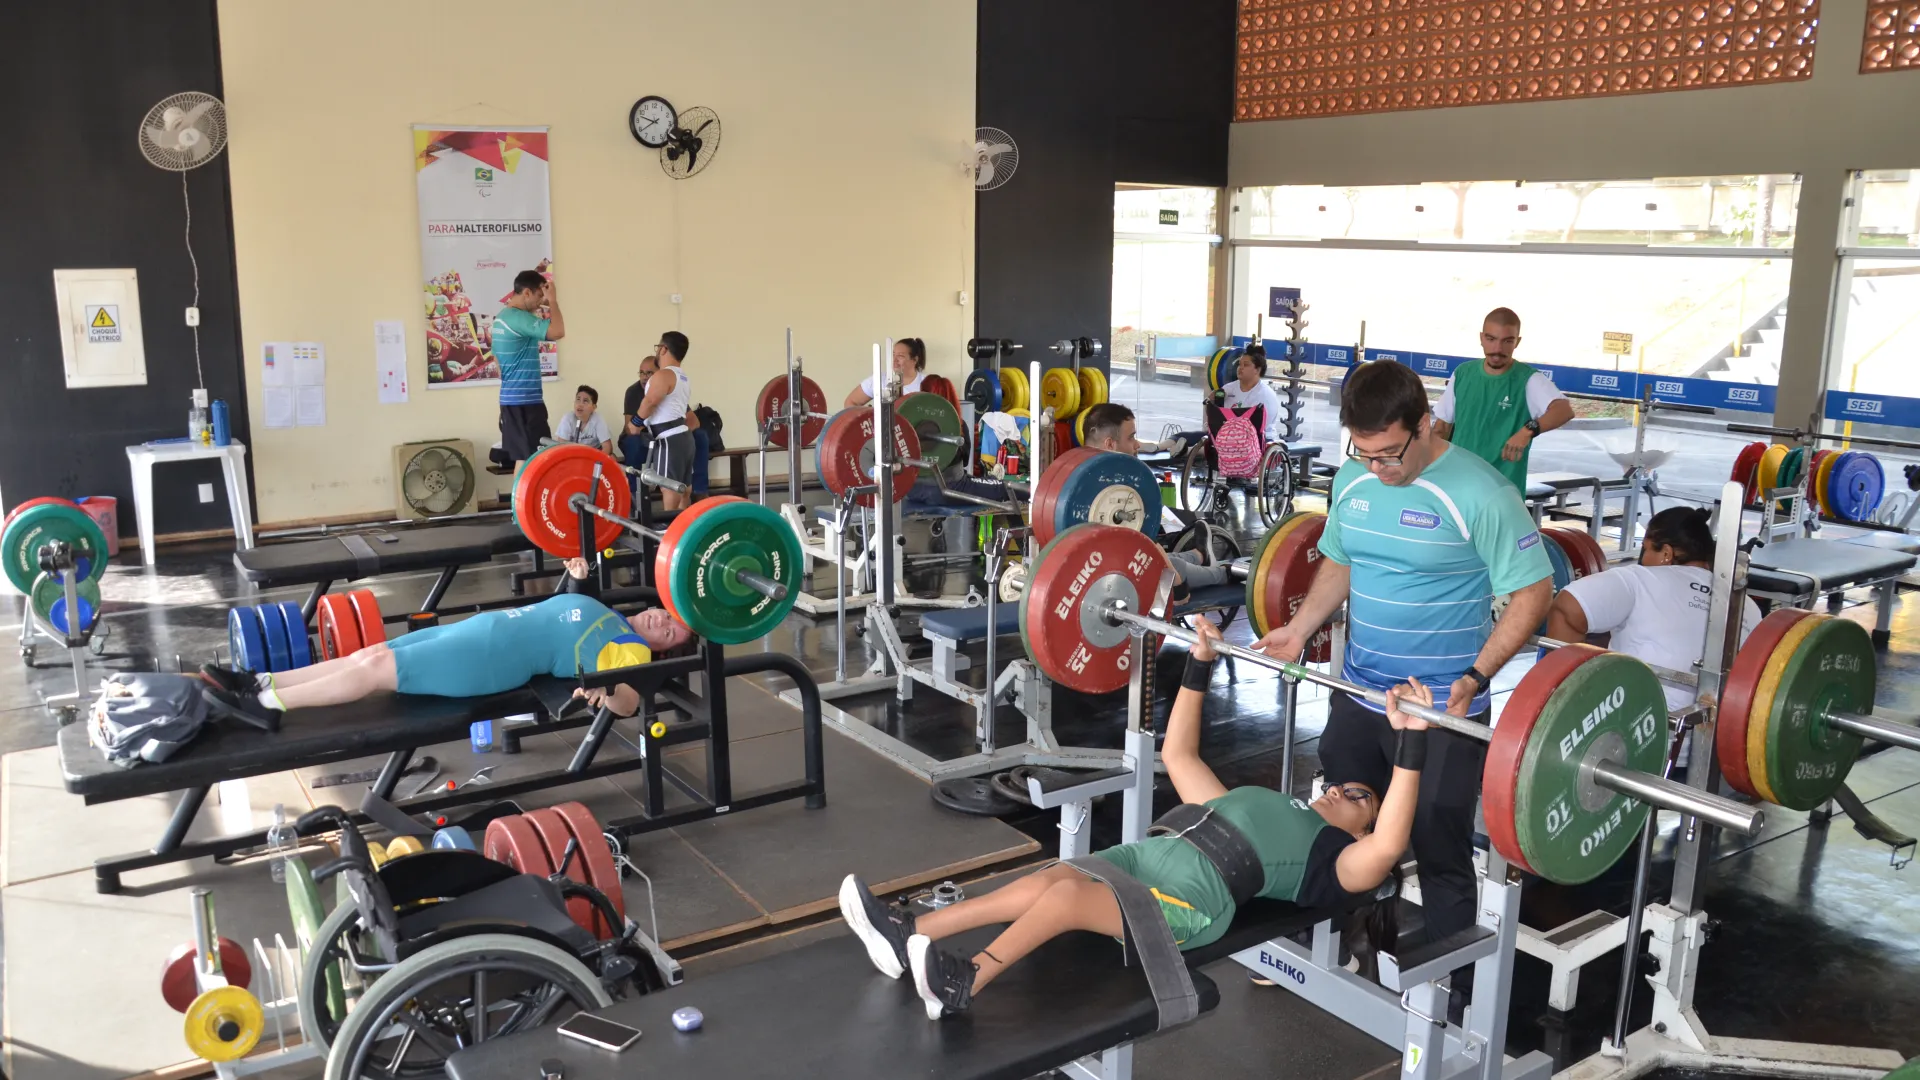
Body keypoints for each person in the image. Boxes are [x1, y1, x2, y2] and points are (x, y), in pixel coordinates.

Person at [837, 619, 1429, 1018]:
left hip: (1192, 900)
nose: (1342, 789)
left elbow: (1389, 843)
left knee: (1066, 900)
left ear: (1361, 831)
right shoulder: (1263, 803)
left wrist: (1411, 742)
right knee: (1055, 877)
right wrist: (1198, 665)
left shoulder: (1335, 859)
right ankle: (910, 934)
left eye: (1360, 797)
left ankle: (965, 981)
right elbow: (1180, 756)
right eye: (1343, 783)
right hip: (1148, 857)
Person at [1253, 360, 1552, 946]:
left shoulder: (1481, 491)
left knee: (1439, 847)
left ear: (1426, 425)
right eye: (1364, 453)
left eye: (1389, 453)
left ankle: (1450, 984)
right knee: (1336, 829)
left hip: (1441, 708)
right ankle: (1334, 946)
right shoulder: (1353, 479)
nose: (1378, 468)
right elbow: (1341, 560)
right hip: (1359, 694)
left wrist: (1477, 675)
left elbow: (1533, 592)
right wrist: (1300, 628)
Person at [201, 558, 692, 725]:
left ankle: (266, 704)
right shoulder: (605, 609)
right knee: (368, 654)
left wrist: (608, 690)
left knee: (373, 673)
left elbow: (629, 703)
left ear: (663, 649)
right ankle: (260, 681)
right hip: (477, 631)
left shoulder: (631, 649)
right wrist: (576, 577)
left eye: (670, 631)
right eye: (666, 614)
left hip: (488, 659)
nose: (662, 620)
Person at [1545, 506, 1761, 717]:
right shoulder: (1747, 606)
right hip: (1718, 732)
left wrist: (1566, 702)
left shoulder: (1641, 579)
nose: (1643, 558)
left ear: (1666, 553)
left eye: (1646, 549)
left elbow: (1567, 608)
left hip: (1637, 731)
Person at [1079, 402, 1233, 603]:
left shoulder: (1078, 473)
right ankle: (1225, 574)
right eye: (1131, 437)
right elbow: (1145, 545)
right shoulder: (1116, 487)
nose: (1137, 445)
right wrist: (1178, 587)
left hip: (1103, 561)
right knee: (1170, 567)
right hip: (1108, 574)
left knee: (1165, 560)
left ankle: (1199, 555)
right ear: (1110, 444)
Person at [1431, 308, 1573, 492]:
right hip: (1458, 487)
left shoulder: (1529, 379)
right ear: (1481, 338)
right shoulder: (1462, 373)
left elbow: (1564, 410)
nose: (1497, 349)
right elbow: (1441, 428)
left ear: (1517, 342)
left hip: (1501, 494)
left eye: (1507, 341)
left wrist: (1527, 431)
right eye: (1491, 339)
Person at [493, 270, 565, 464]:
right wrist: (553, 301)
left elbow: (497, 363)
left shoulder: (502, 318)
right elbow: (558, 331)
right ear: (526, 293)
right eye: (539, 295)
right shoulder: (519, 318)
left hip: (511, 400)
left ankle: (521, 488)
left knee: (523, 460)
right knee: (537, 460)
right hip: (525, 402)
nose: (541, 301)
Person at [634, 331, 695, 512]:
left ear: (664, 349)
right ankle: (683, 526)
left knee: (669, 488)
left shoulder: (664, 375)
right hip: (684, 438)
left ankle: (670, 527)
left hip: (668, 439)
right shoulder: (683, 377)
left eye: (658, 347)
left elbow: (650, 401)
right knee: (684, 489)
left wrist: (635, 423)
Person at [1221, 345, 1286, 446]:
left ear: (1257, 370)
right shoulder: (1228, 388)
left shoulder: (1265, 395)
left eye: (1246, 365)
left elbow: (1259, 427)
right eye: (1239, 364)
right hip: (1230, 437)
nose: (1240, 368)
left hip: (1259, 440)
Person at [845, 338, 927, 408]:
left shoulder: (927, 383)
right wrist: (869, 417)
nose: (894, 360)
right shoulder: (879, 379)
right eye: (893, 355)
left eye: (900, 356)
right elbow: (850, 402)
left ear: (915, 360)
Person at [619, 354, 659, 473]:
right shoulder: (633, 391)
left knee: (699, 436)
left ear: (659, 374)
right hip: (638, 437)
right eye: (641, 373)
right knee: (633, 442)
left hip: (659, 437)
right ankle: (633, 484)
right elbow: (629, 428)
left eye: (649, 373)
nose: (644, 377)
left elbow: (693, 421)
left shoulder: (666, 388)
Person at [555, 385, 615, 456]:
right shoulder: (567, 418)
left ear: (594, 407)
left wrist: (596, 460)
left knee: (612, 457)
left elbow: (607, 447)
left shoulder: (598, 419)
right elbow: (561, 447)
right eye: (578, 399)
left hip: (594, 455)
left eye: (585, 401)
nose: (580, 404)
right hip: (572, 455)